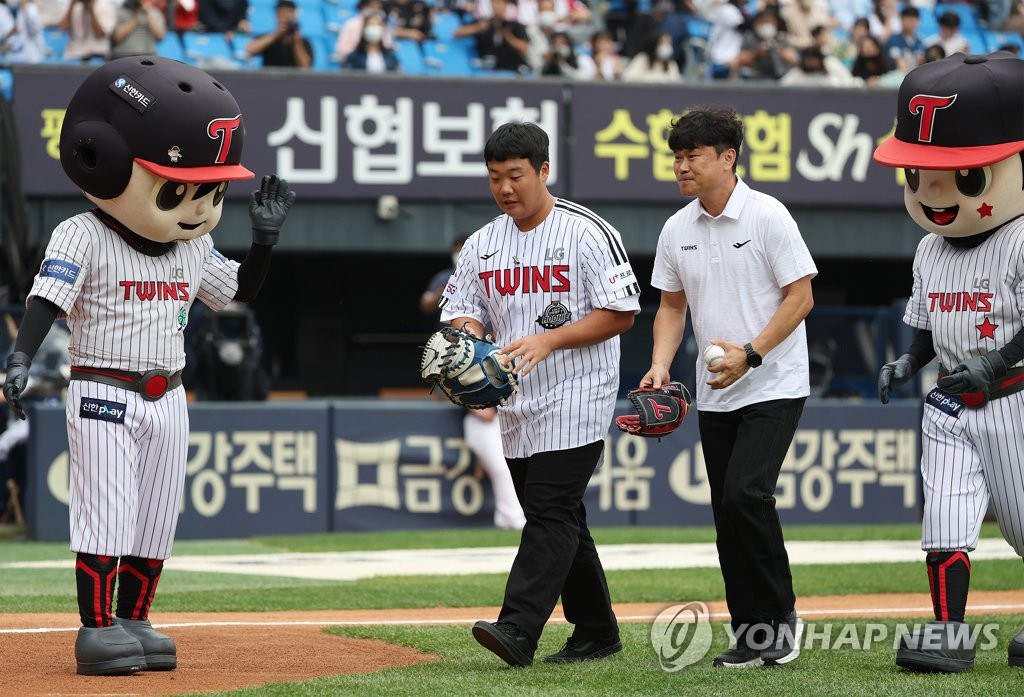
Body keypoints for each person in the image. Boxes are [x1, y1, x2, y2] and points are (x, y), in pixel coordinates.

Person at [1, 56, 294, 677]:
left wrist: (263, 242)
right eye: (179, 188)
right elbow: (45, 300)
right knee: (105, 511)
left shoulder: (195, 243)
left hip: (170, 393)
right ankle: (96, 629)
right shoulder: (81, 232)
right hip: (104, 386)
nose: (198, 206)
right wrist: (21, 356)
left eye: (211, 191)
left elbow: (235, 293)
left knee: (157, 518)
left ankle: (134, 618)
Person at [440, 121, 640, 667]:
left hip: (579, 391)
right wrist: (470, 338)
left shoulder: (586, 231)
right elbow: (462, 311)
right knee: (559, 515)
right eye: (495, 177)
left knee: (549, 510)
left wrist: (551, 339)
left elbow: (621, 312)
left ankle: (519, 628)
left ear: (544, 171)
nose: (505, 188)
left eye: (516, 175)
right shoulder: (483, 242)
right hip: (514, 398)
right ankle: (597, 630)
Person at [640, 105, 816, 668]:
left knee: (746, 494)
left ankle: (781, 619)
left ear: (728, 157)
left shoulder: (768, 216)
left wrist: (753, 353)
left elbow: (801, 296)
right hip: (716, 390)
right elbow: (670, 305)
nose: (681, 167)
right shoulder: (676, 228)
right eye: (676, 157)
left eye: (692, 156)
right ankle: (751, 634)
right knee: (726, 510)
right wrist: (661, 365)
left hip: (775, 381)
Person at [873, 51, 1024, 674]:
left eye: (964, 177)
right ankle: (948, 634)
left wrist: (994, 365)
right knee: (946, 519)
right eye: (917, 176)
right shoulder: (930, 250)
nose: (932, 194)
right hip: (951, 402)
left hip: (1015, 397)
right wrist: (908, 362)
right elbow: (927, 328)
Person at [420, 237, 527, 531]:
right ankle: (512, 519)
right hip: (477, 405)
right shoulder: (449, 280)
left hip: (505, 395)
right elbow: (427, 306)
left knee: (516, 467)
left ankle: (513, 518)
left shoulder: (501, 284)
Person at [453, 0, 531, 74]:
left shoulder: (514, 26)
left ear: (506, 5)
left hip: (511, 69)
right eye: (494, 3)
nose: (496, 6)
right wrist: (477, 27)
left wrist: (506, 33)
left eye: (499, 3)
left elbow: (523, 48)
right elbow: (457, 33)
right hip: (486, 70)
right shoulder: (484, 23)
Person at [244, 0, 312, 68]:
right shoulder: (269, 37)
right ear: (276, 15)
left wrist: (297, 41)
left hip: (294, 78)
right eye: (282, 13)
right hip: (270, 77)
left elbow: (305, 67)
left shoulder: (303, 41)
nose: (286, 16)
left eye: (289, 12)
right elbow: (250, 50)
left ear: (295, 14)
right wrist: (276, 35)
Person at [883, 5, 925, 74]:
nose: (911, 23)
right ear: (902, 20)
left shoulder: (920, 42)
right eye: (909, 19)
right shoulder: (893, 40)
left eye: (914, 19)